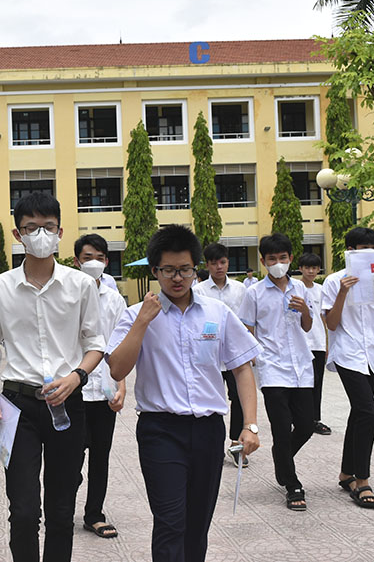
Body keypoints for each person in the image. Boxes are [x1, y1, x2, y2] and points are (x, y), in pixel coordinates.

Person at [107, 224, 260, 562]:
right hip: (160, 431)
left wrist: (250, 424)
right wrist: (142, 323)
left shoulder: (217, 314)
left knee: (197, 525)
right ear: (155, 271)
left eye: (186, 270)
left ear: (196, 268)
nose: (178, 278)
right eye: (169, 270)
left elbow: (242, 368)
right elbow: (117, 368)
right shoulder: (135, 316)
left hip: (207, 430)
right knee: (170, 522)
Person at [0, 192, 105, 562]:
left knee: (62, 510)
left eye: (48, 227)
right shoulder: (0, 287)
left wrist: (77, 376)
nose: (40, 235)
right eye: (31, 227)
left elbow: (96, 342)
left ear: (60, 231)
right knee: (23, 511)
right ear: (18, 234)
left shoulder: (80, 286)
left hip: (68, 403)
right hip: (17, 406)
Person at [322, 227, 374, 509]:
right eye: (361, 248)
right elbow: (331, 324)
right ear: (349, 251)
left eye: (372, 248)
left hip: (369, 357)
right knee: (369, 413)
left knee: (358, 414)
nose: (367, 252)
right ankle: (363, 480)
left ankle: (346, 473)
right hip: (346, 355)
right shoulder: (334, 282)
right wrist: (343, 293)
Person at [238, 233, 314, 511]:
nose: (278, 263)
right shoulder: (254, 293)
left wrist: (305, 309)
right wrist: (256, 356)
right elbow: (247, 328)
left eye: (283, 258)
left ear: (291, 258)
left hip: (301, 367)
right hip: (272, 369)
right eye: (272, 259)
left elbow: (307, 326)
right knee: (282, 428)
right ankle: (292, 484)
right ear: (263, 262)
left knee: (306, 425)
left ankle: (281, 458)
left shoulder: (301, 289)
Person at [73, 234, 126, 539]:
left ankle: (94, 514)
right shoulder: (66, 293)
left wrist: (121, 385)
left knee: (100, 456)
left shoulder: (115, 299)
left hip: (104, 390)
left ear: (107, 261)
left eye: (100, 257)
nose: (93, 262)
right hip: (73, 388)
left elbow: (119, 345)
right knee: (70, 457)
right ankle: (63, 509)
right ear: (77, 260)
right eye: (87, 256)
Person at [193, 242, 248, 467]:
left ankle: (236, 443)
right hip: (208, 354)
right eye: (214, 263)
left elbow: (245, 322)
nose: (219, 267)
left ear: (228, 262)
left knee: (239, 398)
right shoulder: (197, 291)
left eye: (223, 262)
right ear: (207, 265)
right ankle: (210, 444)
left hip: (233, 354)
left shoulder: (240, 289)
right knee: (209, 398)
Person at [299, 252, 331, 436]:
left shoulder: (320, 290)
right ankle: (301, 418)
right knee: (303, 383)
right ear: (301, 268)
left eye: (314, 268)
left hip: (317, 343)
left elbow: (323, 317)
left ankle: (314, 419)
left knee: (317, 382)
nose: (311, 271)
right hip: (302, 343)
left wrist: (326, 343)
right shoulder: (295, 288)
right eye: (307, 267)